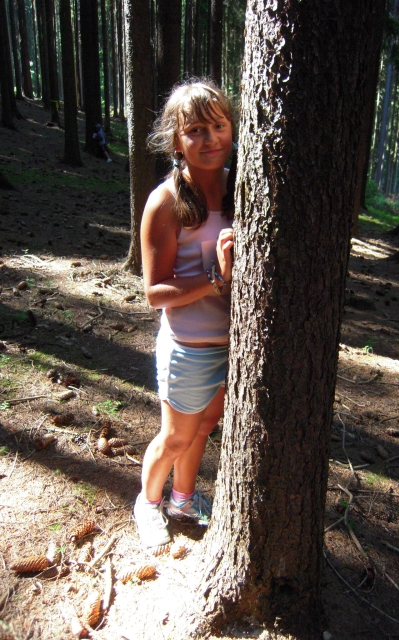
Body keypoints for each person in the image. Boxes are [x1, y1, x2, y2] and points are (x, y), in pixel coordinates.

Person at [133, 79, 236, 555]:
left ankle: (182, 499)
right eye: (195, 130)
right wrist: (216, 277)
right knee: (176, 436)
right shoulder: (167, 201)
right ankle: (148, 502)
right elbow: (154, 292)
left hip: (233, 344)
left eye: (219, 125)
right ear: (176, 140)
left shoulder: (243, 188)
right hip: (189, 347)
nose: (210, 138)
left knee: (206, 424)